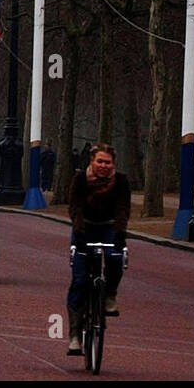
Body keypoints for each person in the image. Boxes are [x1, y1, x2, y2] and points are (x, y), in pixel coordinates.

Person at [65, 143, 130, 355]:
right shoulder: (80, 179)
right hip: (85, 228)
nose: (103, 165)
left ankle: (110, 294)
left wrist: (120, 233)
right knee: (80, 280)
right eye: (100, 161)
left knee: (115, 257)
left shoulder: (120, 181)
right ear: (92, 161)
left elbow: (123, 208)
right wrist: (80, 232)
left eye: (107, 162)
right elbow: (74, 207)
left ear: (113, 164)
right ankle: (75, 334)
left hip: (109, 228)